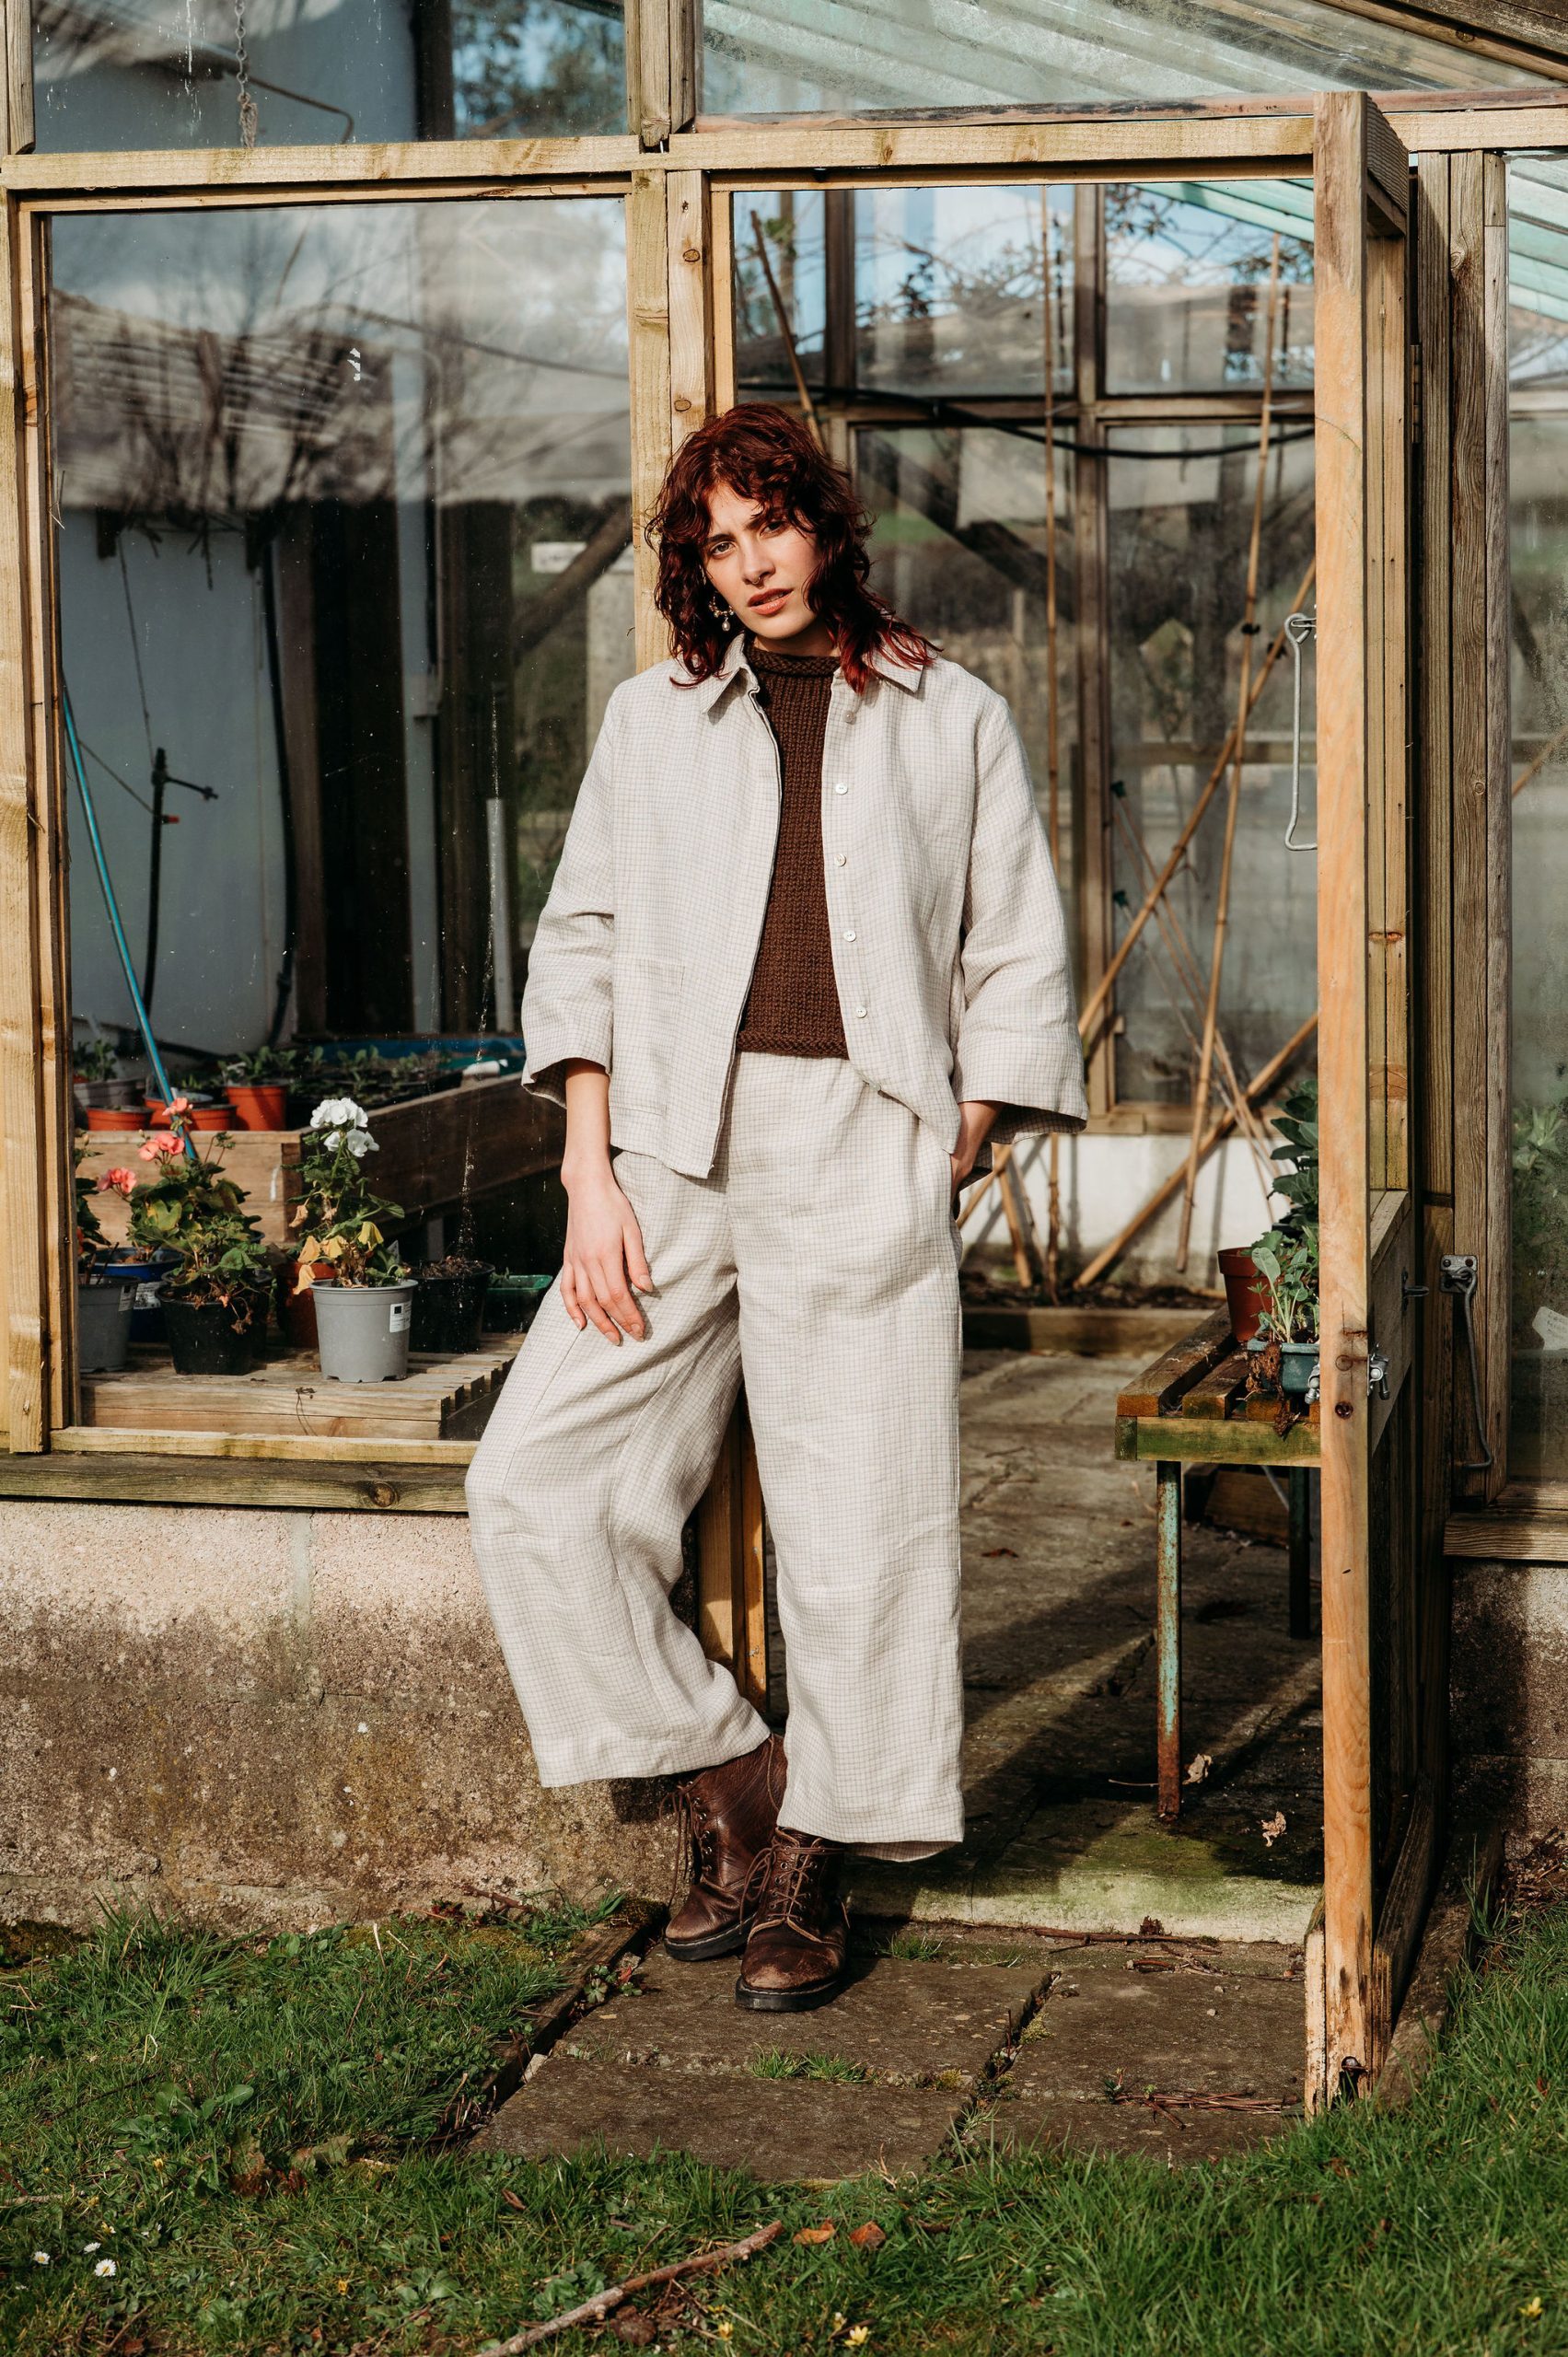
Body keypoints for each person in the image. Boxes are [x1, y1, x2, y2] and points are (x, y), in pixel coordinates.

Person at [466, 403, 1086, 2013]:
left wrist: (960, 1132)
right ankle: (734, 1769)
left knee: (862, 1523)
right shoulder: (651, 719)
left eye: (772, 527)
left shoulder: (952, 716)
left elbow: (1019, 946)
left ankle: (820, 1848)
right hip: (668, 1153)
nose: (750, 566)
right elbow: (583, 941)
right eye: (718, 544)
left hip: (862, 1142)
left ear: (827, 525)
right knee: (534, 1482)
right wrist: (589, 1175)